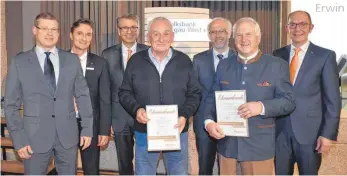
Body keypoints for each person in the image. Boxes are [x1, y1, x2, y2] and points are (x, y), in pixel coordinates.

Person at [4, 12, 93, 175]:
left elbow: (83, 95)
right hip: (33, 139)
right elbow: (10, 105)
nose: (50, 33)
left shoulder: (71, 60)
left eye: (54, 29)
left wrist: (87, 128)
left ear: (59, 33)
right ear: (34, 30)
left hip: (67, 137)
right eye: (44, 28)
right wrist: (19, 139)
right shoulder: (20, 62)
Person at [204, 17, 295, 175]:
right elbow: (212, 98)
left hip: (258, 148)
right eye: (239, 35)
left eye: (248, 34)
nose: (243, 39)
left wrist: (261, 107)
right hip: (227, 145)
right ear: (233, 39)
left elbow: (289, 102)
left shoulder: (276, 65)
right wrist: (209, 122)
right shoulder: (224, 65)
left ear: (258, 38)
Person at [118, 16, 201, 175]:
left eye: (166, 34)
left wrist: (184, 115)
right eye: (156, 34)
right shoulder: (135, 61)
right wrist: (136, 110)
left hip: (177, 130)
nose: (161, 38)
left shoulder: (184, 61)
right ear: (148, 37)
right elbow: (124, 92)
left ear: (172, 37)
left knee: (178, 172)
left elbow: (195, 93)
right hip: (145, 131)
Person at [273, 10, 341, 175]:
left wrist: (327, 134)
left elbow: (333, 99)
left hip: (311, 135)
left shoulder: (325, 56)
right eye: (293, 24)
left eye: (303, 24)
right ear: (287, 28)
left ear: (311, 28)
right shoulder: (277, 55)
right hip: (280, 134)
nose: (297, 28)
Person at [101, 14, 149, 175]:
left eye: (133, 27)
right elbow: (105, 90)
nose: (129, 31)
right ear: (118, 31)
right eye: (125, 27)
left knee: (146, 161)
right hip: (119, 117)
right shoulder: (107, 55)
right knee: (124, 163)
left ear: (138, 30)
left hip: (145, 116)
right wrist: (106, 122)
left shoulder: (148, 52)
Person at [192, 17, 235, 175]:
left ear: (229, 33)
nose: (218, 35)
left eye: (222, 31)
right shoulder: (198, 60)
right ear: (209, 35)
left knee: (229, 168)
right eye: (214, 32)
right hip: (204, 122)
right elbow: (194, 91)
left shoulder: (239, 58)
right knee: (205, 167)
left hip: (232, 122)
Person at [69, 18, 111, 175]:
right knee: (64, 168)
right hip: (64, 124)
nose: (84, 38)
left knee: (91, 169)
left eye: (88, 34)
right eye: (79, 33)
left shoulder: (100, 63)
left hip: (91, 125)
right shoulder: (59, 59)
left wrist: (104, 130)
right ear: (71, 35)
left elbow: (105, 99)